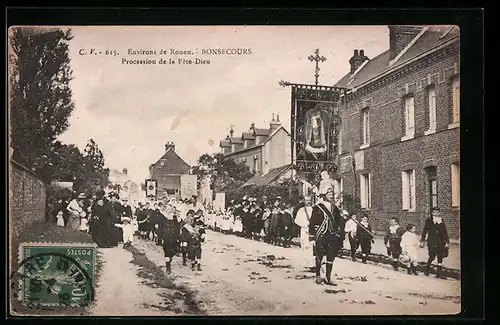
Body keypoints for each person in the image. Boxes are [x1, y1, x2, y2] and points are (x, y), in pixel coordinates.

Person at [309, 186, 345, 286]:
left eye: (332, 194)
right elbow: (312, 222)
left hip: (332, 236)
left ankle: (328, 278)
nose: (331, 196)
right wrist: (312, 237)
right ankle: (318, 276)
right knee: (319, 256)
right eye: (329, 194)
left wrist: (344, 217)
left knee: (331, 256)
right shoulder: (318, 207)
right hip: (321, 235)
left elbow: (338, 222)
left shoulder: (334, 208)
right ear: (324, 195)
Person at [420, 207, 450, 278]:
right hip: (432, 241)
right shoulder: (429, 221)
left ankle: (439, 273)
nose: (435, 214)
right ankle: (427, 269)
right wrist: (422, 240)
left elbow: (445, 232)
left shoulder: (441, 220)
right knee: (432, 256)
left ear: (439, 213)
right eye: (434, 212)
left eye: (437, 212)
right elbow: (425, 231)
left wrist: (447, 242)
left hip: (440, 241)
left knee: (440, 256)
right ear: (432, 213)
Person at [158, 203, 181, 275]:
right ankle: (168, 267)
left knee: (173, 252)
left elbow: (177, 228)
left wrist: (178, 237)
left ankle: (169, 260)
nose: (169, 210)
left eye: (170, 209)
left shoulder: (174, 217)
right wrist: (160, 238)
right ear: (165, 209)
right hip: (166, 237)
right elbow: (160, 228)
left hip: (173, 237)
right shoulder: (162, 217)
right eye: (167, 209)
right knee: (166, 252)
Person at [294, 196, 314, 268]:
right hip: (304, 230)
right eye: (307, 200)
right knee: (305, 246)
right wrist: (304, 224)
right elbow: (296, 220)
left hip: (312, 230)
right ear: (304, 201)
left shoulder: (313, 209)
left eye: (309, 200)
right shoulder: (301, 210)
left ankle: (312, 263)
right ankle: (306, 263)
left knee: (312, 246)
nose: (308, 202)